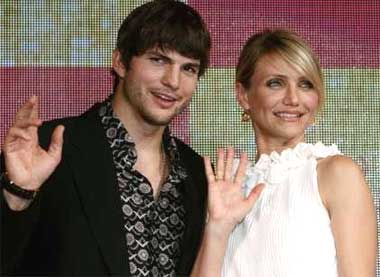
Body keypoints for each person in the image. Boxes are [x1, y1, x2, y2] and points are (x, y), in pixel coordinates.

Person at [0, 0, 211, 276]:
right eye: (159, 60)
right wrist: (16, 197)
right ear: (121, 62)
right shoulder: (48, 149)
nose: (173, 81)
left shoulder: (197, 173)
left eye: (189, 69)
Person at [191, 29, 377, 277]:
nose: (293, 98)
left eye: (305, 84)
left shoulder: (336, 173)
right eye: (275, 83)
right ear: (244, 95)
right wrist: (218, 227)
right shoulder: (225, 186)